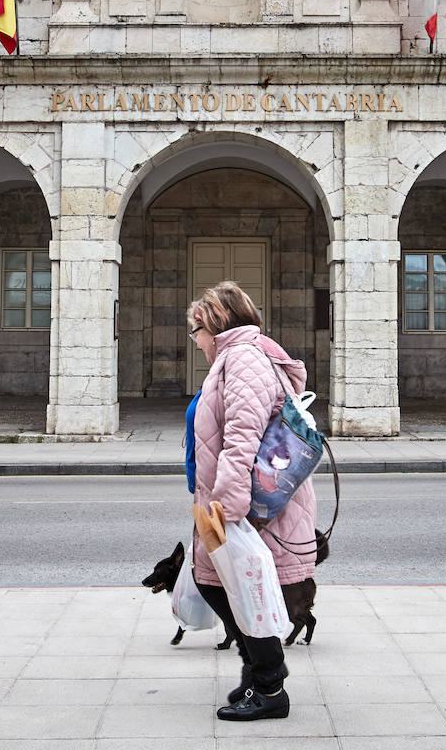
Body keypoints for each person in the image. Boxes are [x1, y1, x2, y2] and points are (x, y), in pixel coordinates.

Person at [187, 280, 316, 722]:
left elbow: (242, 438)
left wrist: (228, 510)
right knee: (223, 585)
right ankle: (257, 674)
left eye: (195, 331)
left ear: (215, 324)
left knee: (235, 589)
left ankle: (269, 687)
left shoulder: (241, 359)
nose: (195, 341)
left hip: (249, 507)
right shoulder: (239, 355)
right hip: (236, 500)